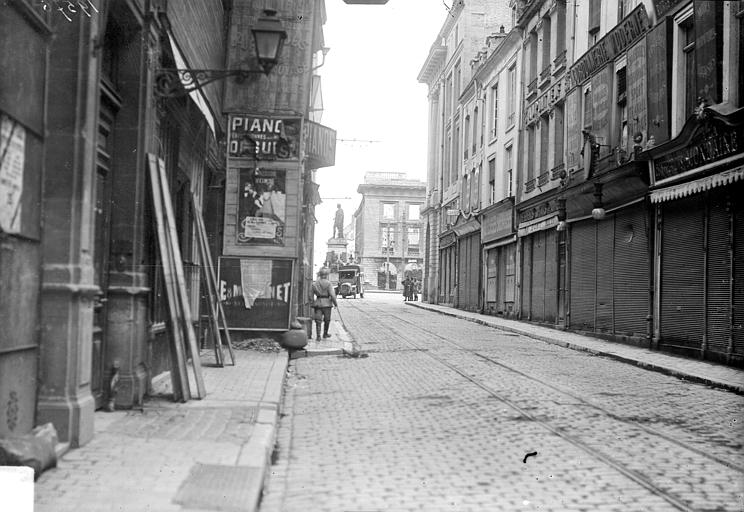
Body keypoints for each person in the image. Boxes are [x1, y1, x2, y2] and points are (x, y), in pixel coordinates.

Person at [311, 267, 338, 341]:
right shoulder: (329, 283)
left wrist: (312, 303)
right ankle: (325, 334)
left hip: (318, 303)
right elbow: (332, 295)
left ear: (320, 275)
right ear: (326, 275)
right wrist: (335, 303)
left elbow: (311, 296)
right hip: (327, 304)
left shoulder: (314, 284)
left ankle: (318, 336)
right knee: (327, 319)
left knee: (318, 320)